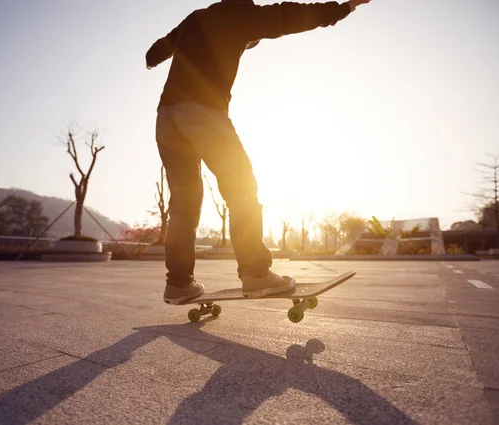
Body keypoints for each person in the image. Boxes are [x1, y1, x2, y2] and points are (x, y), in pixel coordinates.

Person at [146, 0, 371, 305]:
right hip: (201, 112)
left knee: (184, 205)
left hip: (166, 118)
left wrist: (152, 58)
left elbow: (161, 46)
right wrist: (344, 7)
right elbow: (290, 16)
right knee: (241, 187)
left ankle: (178, 283)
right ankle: (255, 273)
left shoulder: (196, 18)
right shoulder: (244, 13)